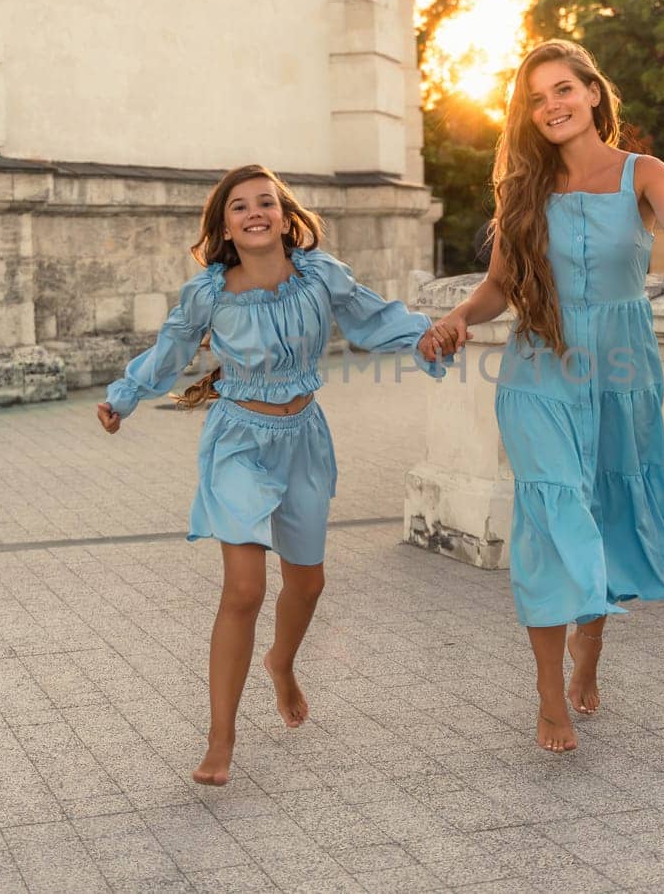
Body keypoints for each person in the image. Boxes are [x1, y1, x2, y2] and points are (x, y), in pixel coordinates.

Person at [419, 40, 664, 753]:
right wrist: (457, 319)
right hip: (540, 370)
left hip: (622, 371)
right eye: (537, 98)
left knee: (603, 512)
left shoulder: (642, 174)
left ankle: (588, 650)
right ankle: (546, 693)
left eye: (564, 89)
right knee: (551, 516)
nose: (552, 105)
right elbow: (499, 288)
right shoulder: (521, 191)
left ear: (594, 93)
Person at [97, 164, 446, 785]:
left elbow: (374, 318)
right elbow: (171, 351)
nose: (254, 212)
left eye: (266, 202)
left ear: (286, 219)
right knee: (244, 591)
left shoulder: (319, 276)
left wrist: (434, 335)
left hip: (304, 439)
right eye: (239, 206)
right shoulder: (208, 292)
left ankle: (281, 664)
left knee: (307, 585)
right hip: (238, 441)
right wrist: (122, 397)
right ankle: (220, 737)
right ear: (225, 227)